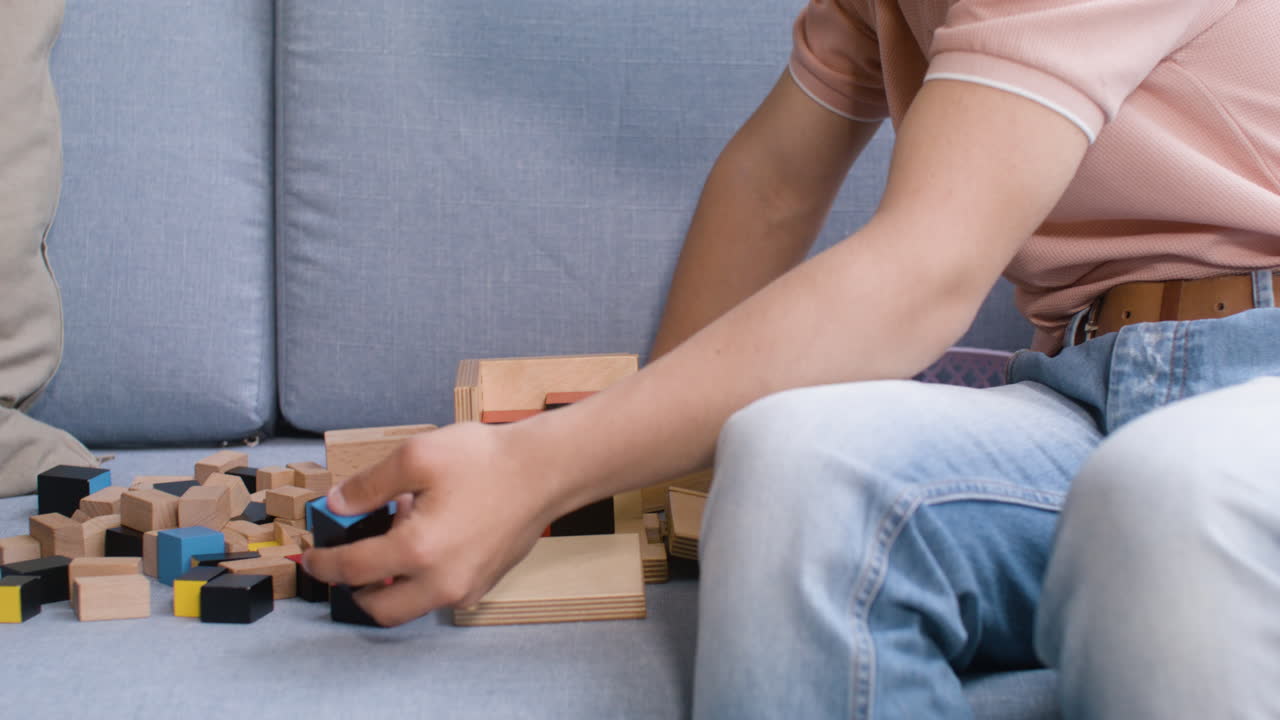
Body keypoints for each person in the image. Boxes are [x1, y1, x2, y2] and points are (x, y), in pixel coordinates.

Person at [305, 0, 1280, 717]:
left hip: (1252, 380)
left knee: (1163, 494)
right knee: (790, 458)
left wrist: (534, 469)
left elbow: (923, 272)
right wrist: (633, 475)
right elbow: (770, 185)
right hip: (1083, 387)